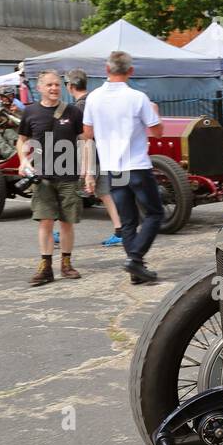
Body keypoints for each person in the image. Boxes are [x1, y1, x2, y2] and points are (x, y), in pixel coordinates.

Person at [81, 51, 164, 284]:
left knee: (128, 220)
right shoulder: (138, 97)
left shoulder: (94, 98)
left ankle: (135, 269)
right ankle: (135, 258)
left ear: (106, 70)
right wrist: (155, 113)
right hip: (136, 164)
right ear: (130, 71)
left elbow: (87, 133)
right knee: (155, 213)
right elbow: (157, 131)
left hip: (112, 166)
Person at [17, 70, 87, 285]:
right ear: (39, 88)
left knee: (67, 222)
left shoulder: (73, 112)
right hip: (43, 176)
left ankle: (66, 264)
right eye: (49, 85)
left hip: (69, 175)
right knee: (45, 222)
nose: (54, 88)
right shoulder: (30, 113)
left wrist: (87, 167)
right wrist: (23, 160)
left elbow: (85, 140)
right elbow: (21, 141)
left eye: (57, 84)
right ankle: (46, 267)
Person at [63, 68, 124, 244]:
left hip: (89, 155)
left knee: (68, 192)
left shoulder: (78, 107)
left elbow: (84, 138)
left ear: (70, 86)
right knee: (104, 193)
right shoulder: (97, 101)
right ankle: (120, 232)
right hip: (104, 152)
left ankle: (62, 231)